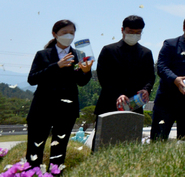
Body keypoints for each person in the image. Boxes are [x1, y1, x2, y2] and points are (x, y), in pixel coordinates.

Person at [25, 20, 93, 170]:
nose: (69, 36)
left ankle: (55, 172)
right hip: (42, 107)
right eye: (64, 33)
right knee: (35, 147)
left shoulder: (79, 55)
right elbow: (32, 79)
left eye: (72, 33)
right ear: (55, 34)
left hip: (66, 108)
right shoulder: (43, 54)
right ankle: (31, 172)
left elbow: (81, 82)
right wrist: (56, 66)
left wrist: (86, 72)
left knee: (59, 147)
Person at [94, 16, 155, 119]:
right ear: (122, 30)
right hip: (109, 103)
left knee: (132, 135)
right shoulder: (109, 50)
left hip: (134, 105)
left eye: (138, 32)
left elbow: (150, 76)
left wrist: (146, 90)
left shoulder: (146, 53)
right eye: (131, 32)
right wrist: (118, 94)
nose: (134, 35)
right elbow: (103, 77)